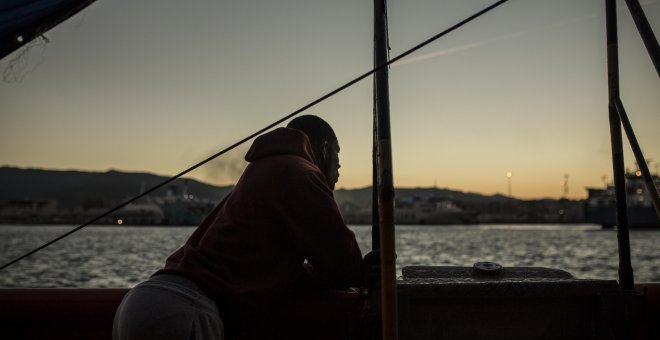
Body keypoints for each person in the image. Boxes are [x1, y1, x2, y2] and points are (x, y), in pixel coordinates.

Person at [113, 115, 364, 340]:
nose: (340, 166)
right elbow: (344, 265)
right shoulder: (303, 173)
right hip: (185, 312)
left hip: (141, 301)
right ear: (324, 148)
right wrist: (365, 270)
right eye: (338, 154)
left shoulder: (262, 171)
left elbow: (268, 268)